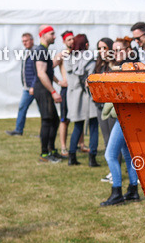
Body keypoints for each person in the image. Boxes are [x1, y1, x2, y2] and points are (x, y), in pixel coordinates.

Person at [101, 39, 141, 206]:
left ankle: (116, 191)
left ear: (128, 50)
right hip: (125, 116)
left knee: (110, 154)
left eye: (119, 50)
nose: (115, 53)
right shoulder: (127, 66)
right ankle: (133, 190)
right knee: (127, 154)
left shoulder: (128, 68)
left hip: (124, 116)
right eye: (114, 51)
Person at [63, 34, 99, 167]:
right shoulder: (91, 58)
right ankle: (92, 158)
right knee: (94, 127)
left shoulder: (69, 58)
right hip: (88, 96)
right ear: (86, 44)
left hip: (74, 96)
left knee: (77, 127)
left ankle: (71, 156)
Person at [32, 26, 63, 163]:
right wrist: (53, 91)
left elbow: (48, 70)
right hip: (43, 90)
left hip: (46, 89)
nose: (54, 36)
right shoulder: (40, 51)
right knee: (47, 120)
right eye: (52, 34)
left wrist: (58, 82)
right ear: (43, 35)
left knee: (54, 120)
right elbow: (41, 73)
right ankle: (44, 154)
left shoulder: (44, 51)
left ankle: (52, 150)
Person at [7, 32, 36, 136]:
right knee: (22, 107)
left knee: (44, 110)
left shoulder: (36, 52)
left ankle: (45, 132)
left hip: (35, 87)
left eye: (26, 41)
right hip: (27, 87)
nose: (24, 43)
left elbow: (38, 71)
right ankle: (18, 130)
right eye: (23, 41)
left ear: (31, 40)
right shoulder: (26, 52)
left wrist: (33, 85)